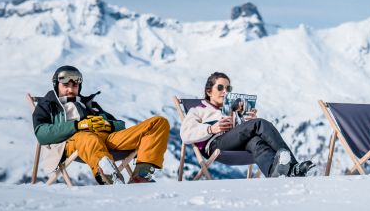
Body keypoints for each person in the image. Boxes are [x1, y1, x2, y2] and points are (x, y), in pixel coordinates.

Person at [32, 65, 170, 184]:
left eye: (74, 85)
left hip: (106, 139)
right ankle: (109, 176)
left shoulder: (89, 104)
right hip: (74, 142)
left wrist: (108, 126)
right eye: (65, 85)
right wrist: (78, 126)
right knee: (88, 137)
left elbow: (120, 125)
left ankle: (141, 175)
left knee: (158, 123)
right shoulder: (47, 105)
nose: (70, 89)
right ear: (56, 85)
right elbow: (42, 134)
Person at [180, 71, 316, 177]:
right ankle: (294, 167)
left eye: (228, 88)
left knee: (256, 142)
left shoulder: (231, 110)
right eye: (220, 87)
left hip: (235, 141)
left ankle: (274, 173)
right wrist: (211, 128)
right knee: (259, 124)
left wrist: (246, 121)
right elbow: (185, 134)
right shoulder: (198, 110)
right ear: (209, 91)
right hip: (216, 144)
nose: (225, 91)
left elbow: (239, 132)